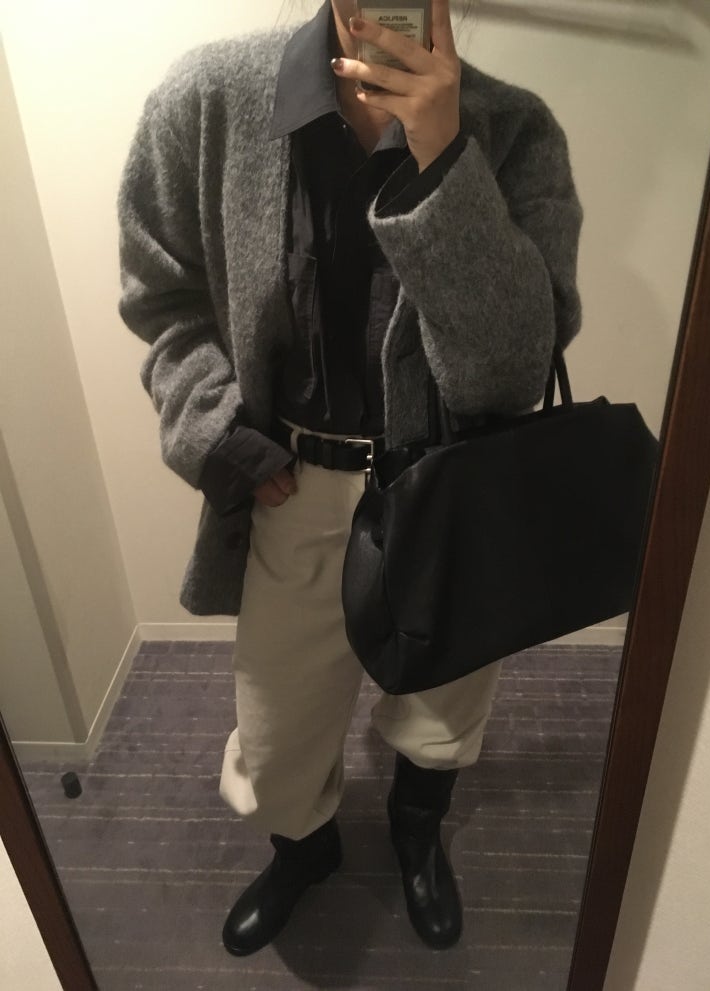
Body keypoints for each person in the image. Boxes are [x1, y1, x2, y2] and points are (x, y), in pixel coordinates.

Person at [117, 0, 582, 958]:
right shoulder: (208, 99)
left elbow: (513, 368)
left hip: (450, 486)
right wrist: (222, 437)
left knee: (443, 704)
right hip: (293, 484)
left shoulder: (513, 129)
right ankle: (304, 849)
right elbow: (163, 299)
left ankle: (417, 832)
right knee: (279, 730)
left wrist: (444, 160)